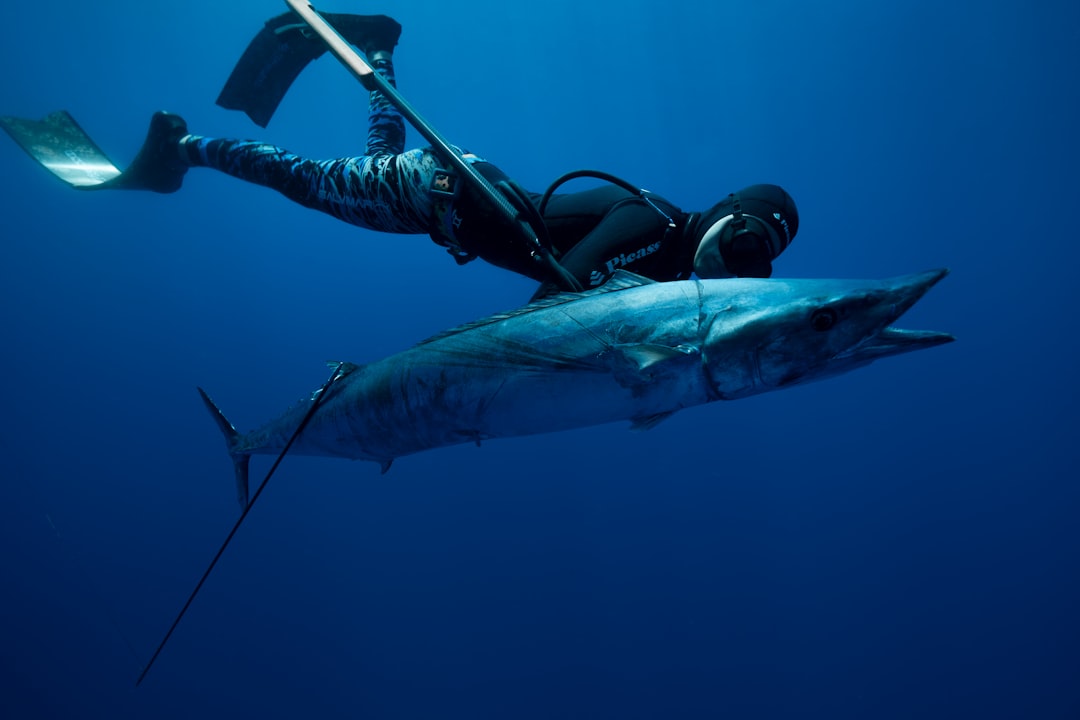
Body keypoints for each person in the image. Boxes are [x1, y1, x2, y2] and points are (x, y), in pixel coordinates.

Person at [1, 11, 799, 296]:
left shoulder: (673, 265)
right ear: (726, 212)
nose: (744, 263)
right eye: (748, 239)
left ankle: (378, 52)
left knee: (364, 163)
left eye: (759, 264)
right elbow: (559, 295)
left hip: (441, 197)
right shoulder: (652, 224)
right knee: (307, 181)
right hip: (439, 195)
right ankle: (183, 147)